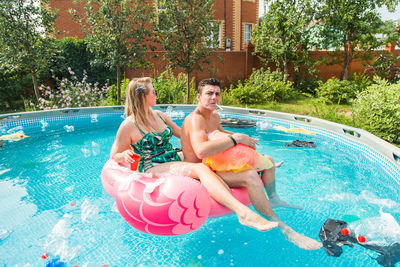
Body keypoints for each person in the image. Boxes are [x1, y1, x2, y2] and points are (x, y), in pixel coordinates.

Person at [112, 77, 278, 232]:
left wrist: (241, 148)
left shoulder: (159, 116)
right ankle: (243, 213)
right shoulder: (129, 125)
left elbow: (183, 133)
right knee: (200, 168)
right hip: (152, 165)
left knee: (206, 159)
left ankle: (252, 170)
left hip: (173, 157)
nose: (156, 93)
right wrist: (123, 156)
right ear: (142, 96)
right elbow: (115, 155)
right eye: (153, 91)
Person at [181, 78, 322, 250]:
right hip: (202, 170)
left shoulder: (214, 116)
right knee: (250, 176)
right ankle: (285, 229)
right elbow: (201, 151)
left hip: (215, 163)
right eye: (209, 93)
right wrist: (236, 139)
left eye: (217, 94)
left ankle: (274, 199)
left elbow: (222, 133)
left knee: (268, 161)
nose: (214, 98)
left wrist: (245, 140)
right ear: (198, 96)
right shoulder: (195, 119)